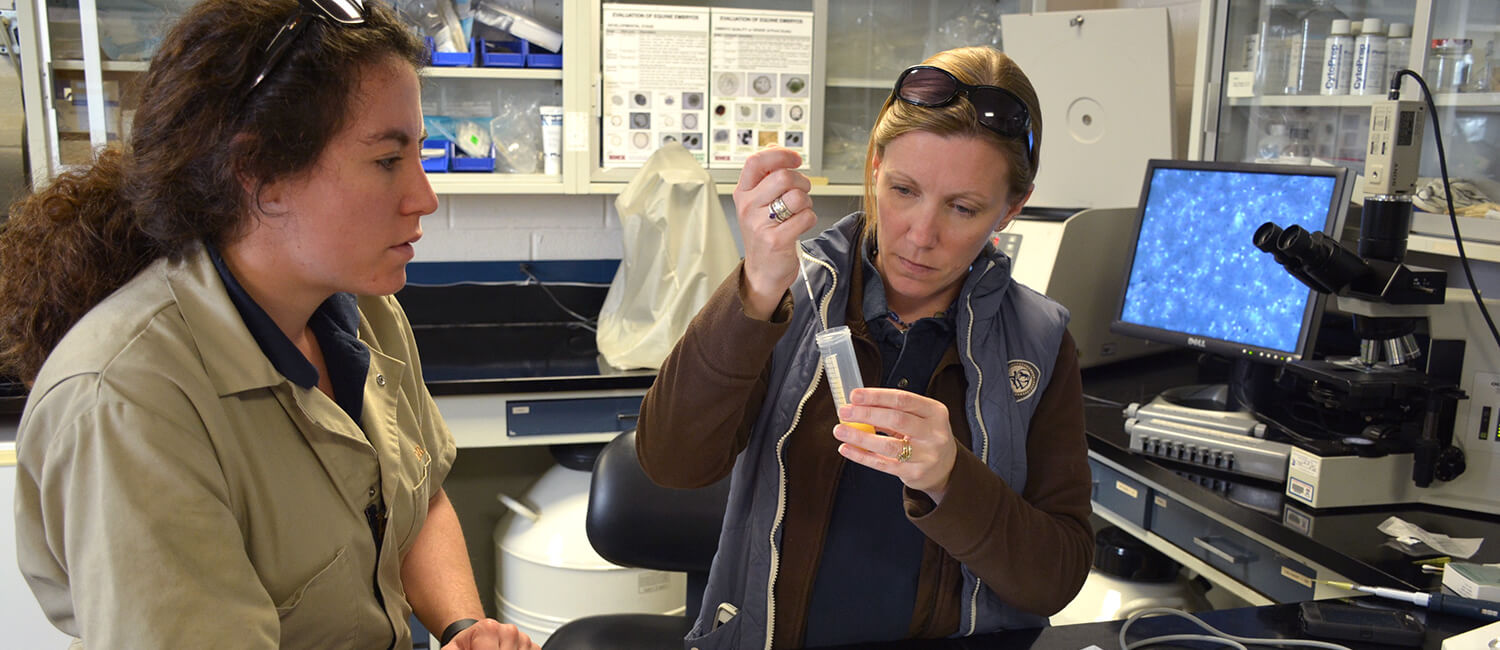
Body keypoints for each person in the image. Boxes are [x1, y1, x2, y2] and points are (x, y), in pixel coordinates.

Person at [0, 1, 535, 648]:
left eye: (419, 154)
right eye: (388, 161)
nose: (424, 196)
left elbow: (416, 503)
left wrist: (464, 627)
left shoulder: (364, 312)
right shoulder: (128, 402)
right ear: (259, 174)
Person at [636, 46, 1093, 648]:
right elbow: (673, 463)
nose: (920, 235)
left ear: (1012, 207)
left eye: (963, 208)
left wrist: (952, 479)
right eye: (903, 189)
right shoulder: (787, 297)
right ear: (875, 166)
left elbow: (1054, 579)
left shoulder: (1039, 343)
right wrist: (758, 285)